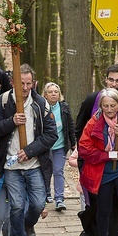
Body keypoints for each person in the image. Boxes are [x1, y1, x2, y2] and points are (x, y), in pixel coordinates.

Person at [0, 64, 57, 236]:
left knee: (37, 204)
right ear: (13, 83)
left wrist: (30, 151)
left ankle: (28, 225)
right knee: (17, 205)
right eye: (21, 84)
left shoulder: (40, 103)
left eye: (29, 84)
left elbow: (51, 135)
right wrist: (11, 122)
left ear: (34, 83)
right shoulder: (3, 101)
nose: (25, 88)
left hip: (34, 164)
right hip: (11, 166)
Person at [74, 63, 118, 236]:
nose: (114, 83)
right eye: (111, 79)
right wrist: (84, 157)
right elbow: (79, 130)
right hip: (94, 160)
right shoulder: (92, 100)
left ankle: (116, 235)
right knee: (96, 201)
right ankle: (91, 232)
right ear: (105, 79)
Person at [42, 82, 76, 210]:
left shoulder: (64, 107)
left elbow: (70, 126)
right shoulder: (41, 107)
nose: (53, 94)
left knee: (58, 171)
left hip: (60, 146)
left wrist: (73, 143)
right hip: (45, 147)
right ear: (45, 95)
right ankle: (46, 194)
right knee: (46, 171)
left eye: (56, 92)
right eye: (50, 92)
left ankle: (60, 199)